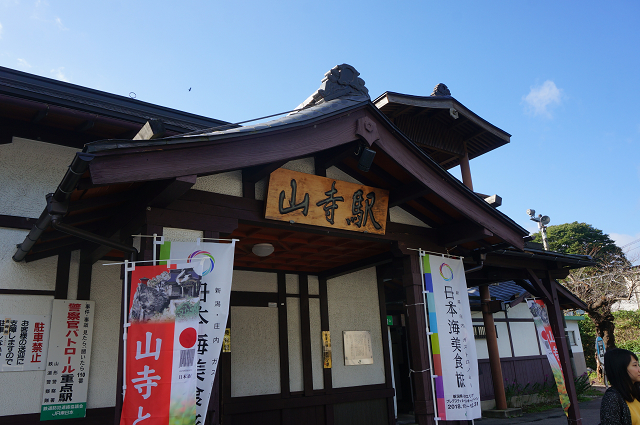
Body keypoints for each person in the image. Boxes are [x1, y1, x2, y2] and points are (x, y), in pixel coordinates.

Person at [600, 348, 640, 425]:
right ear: (621, 368)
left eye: (638, 365)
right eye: (635, 365)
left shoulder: (636, 392)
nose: (639, 369)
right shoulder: (612, 398)